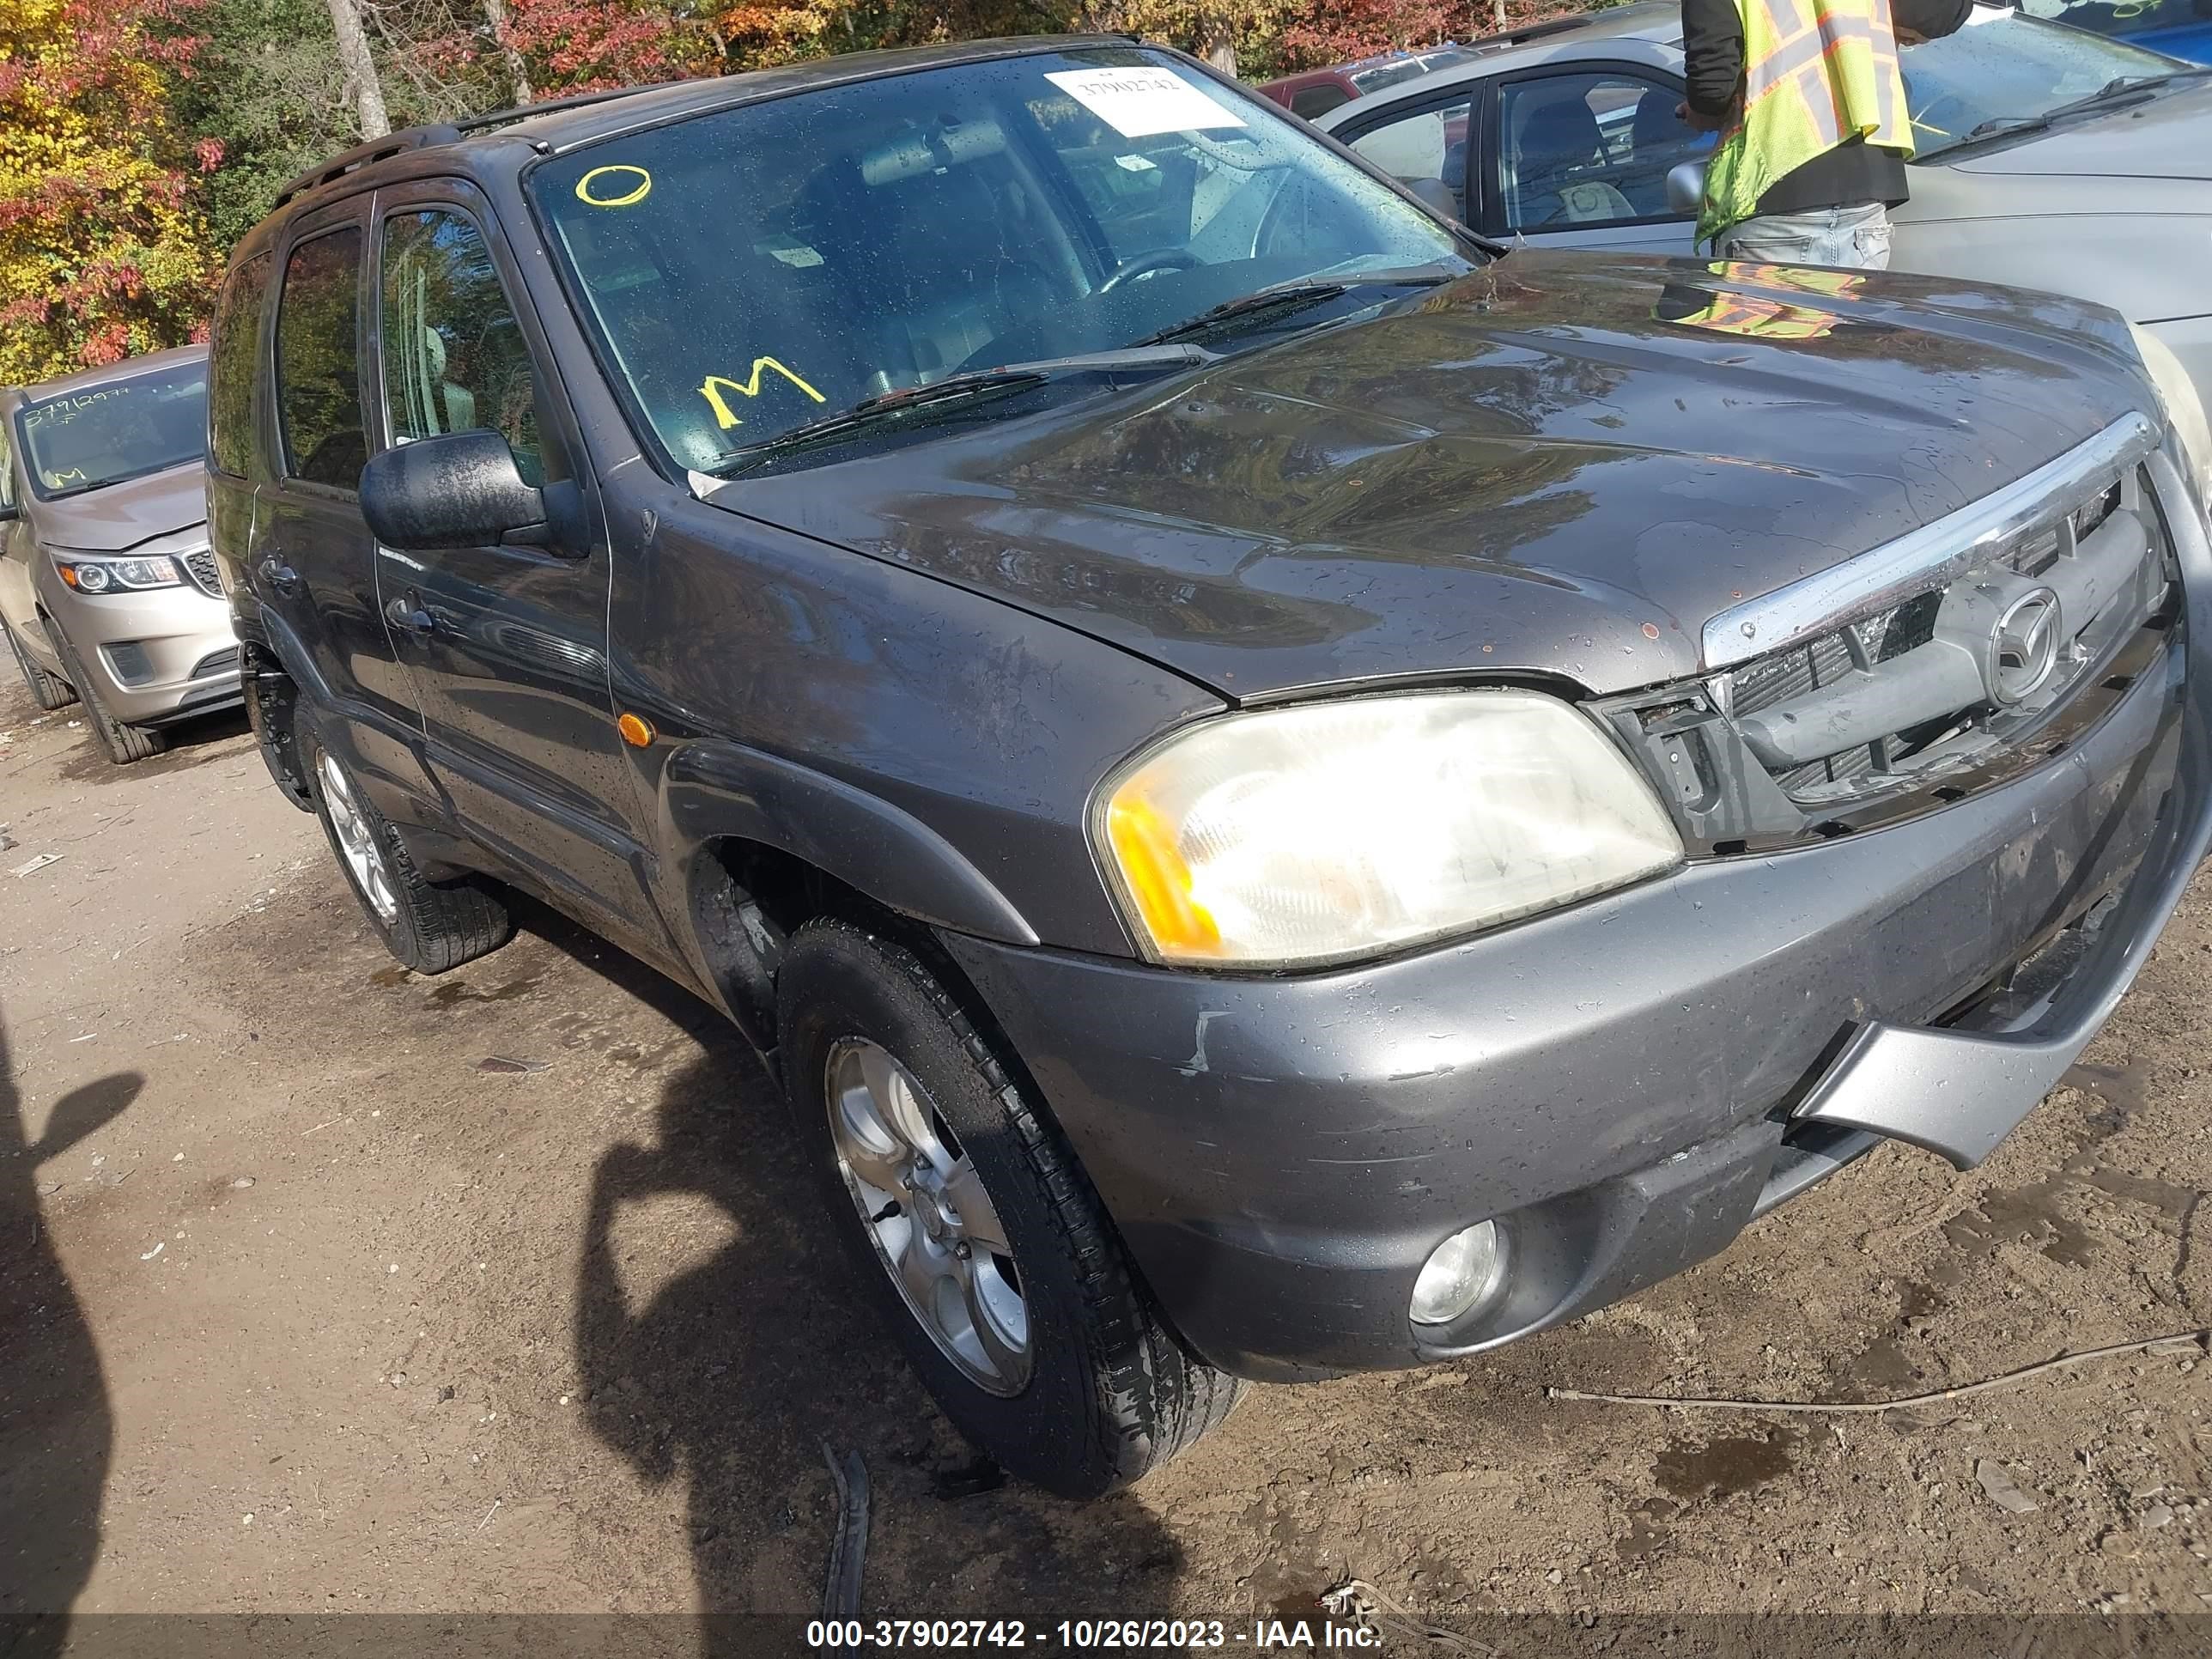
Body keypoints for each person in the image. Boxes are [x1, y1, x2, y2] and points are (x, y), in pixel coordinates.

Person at [1680, 0, 1968, 268]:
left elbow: (1712, 87)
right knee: (1851, 322)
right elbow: (1940, 10)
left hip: (1774, 189)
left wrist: (1699, 111)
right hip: (1867, 187)